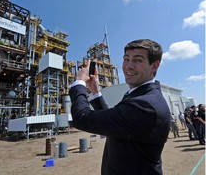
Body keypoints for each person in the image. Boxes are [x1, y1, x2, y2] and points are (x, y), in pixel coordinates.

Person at [69, 39, 171, 175]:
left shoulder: (145, 104)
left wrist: (79, 83)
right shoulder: (140, 95)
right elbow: (112, 123)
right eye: (126, 59)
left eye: (137, 60)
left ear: (154, 66)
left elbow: (81, 118)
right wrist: (95, 92)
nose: (128, 66)